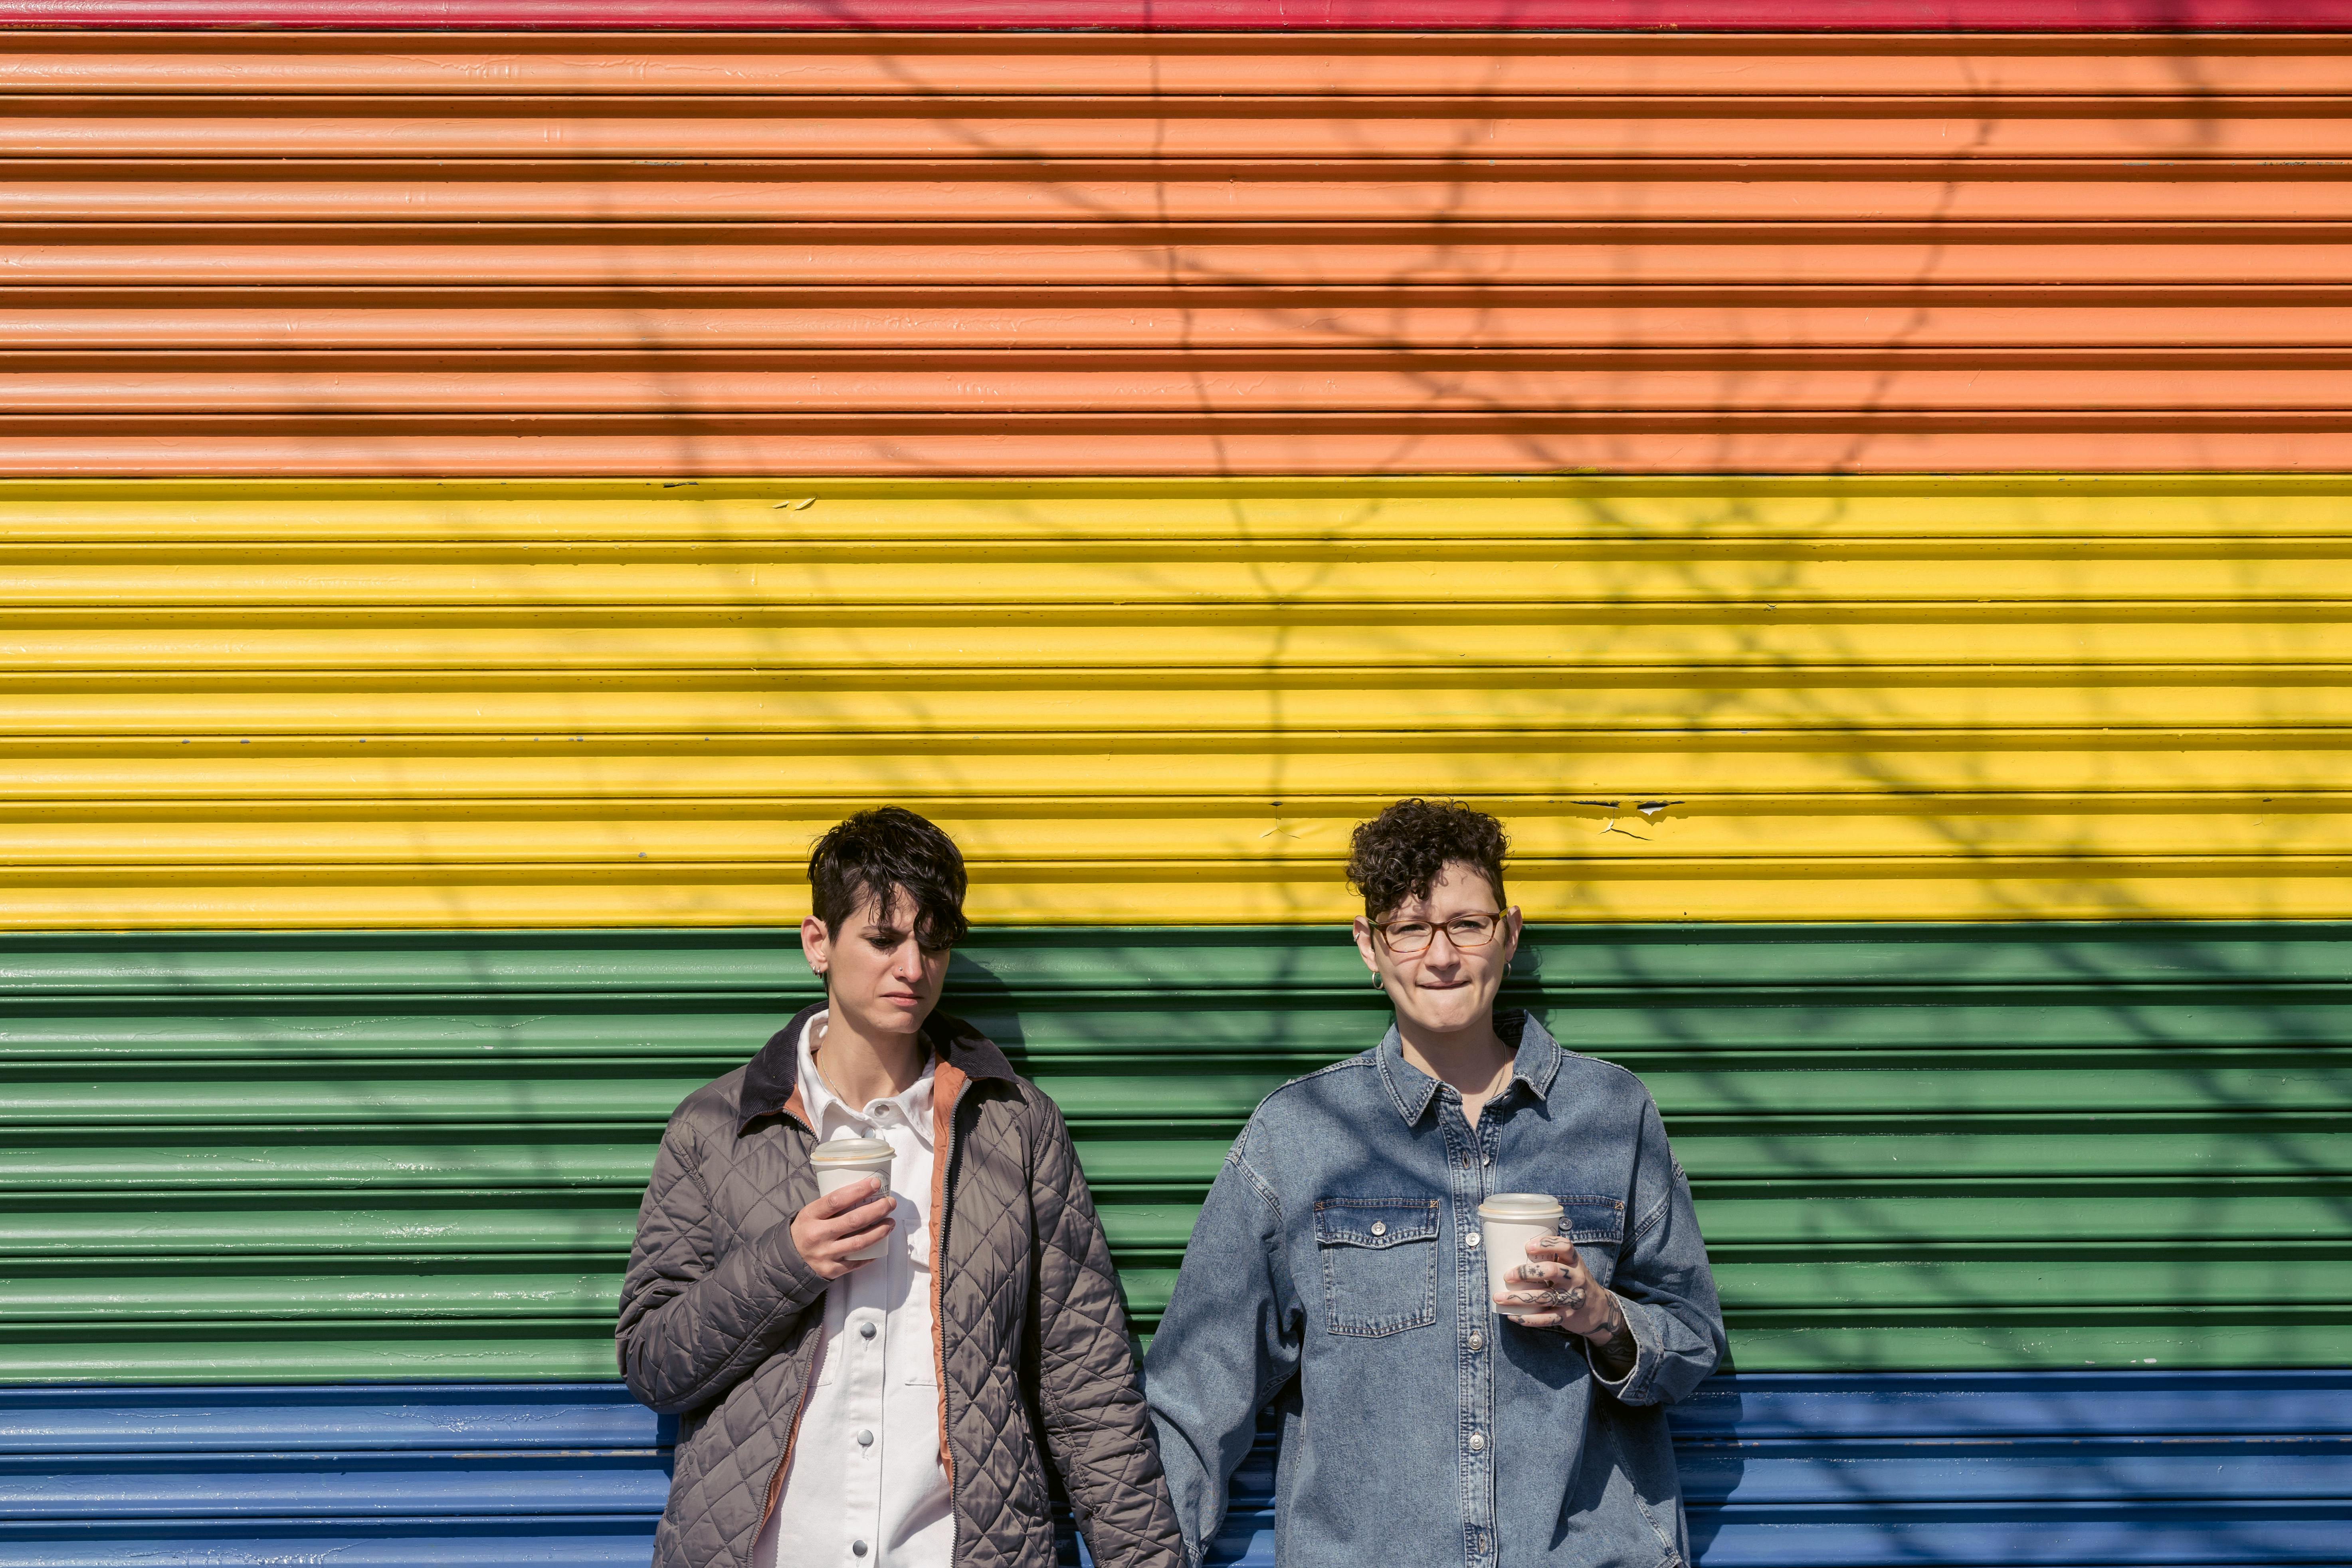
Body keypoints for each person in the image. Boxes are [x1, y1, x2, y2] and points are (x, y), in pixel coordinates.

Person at [1144, 798, 1726, 1567]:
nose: (1441, 956)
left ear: (1510, 933)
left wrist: (1601, 1315)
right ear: (1369, 946)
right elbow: (1197, 1391)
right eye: (1410, 929)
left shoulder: (1612, 1116)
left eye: (1467, 925)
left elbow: (1691, 1341)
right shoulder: (1298, 1137)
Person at [617, 806, 1184, 1568]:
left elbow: (1091, 1393)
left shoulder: (1015, 1128)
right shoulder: (718, 1127)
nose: (913, 969)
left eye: (933, 942)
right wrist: (788, 1263)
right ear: (818, 943)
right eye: (883, 940)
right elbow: (654, 1362)